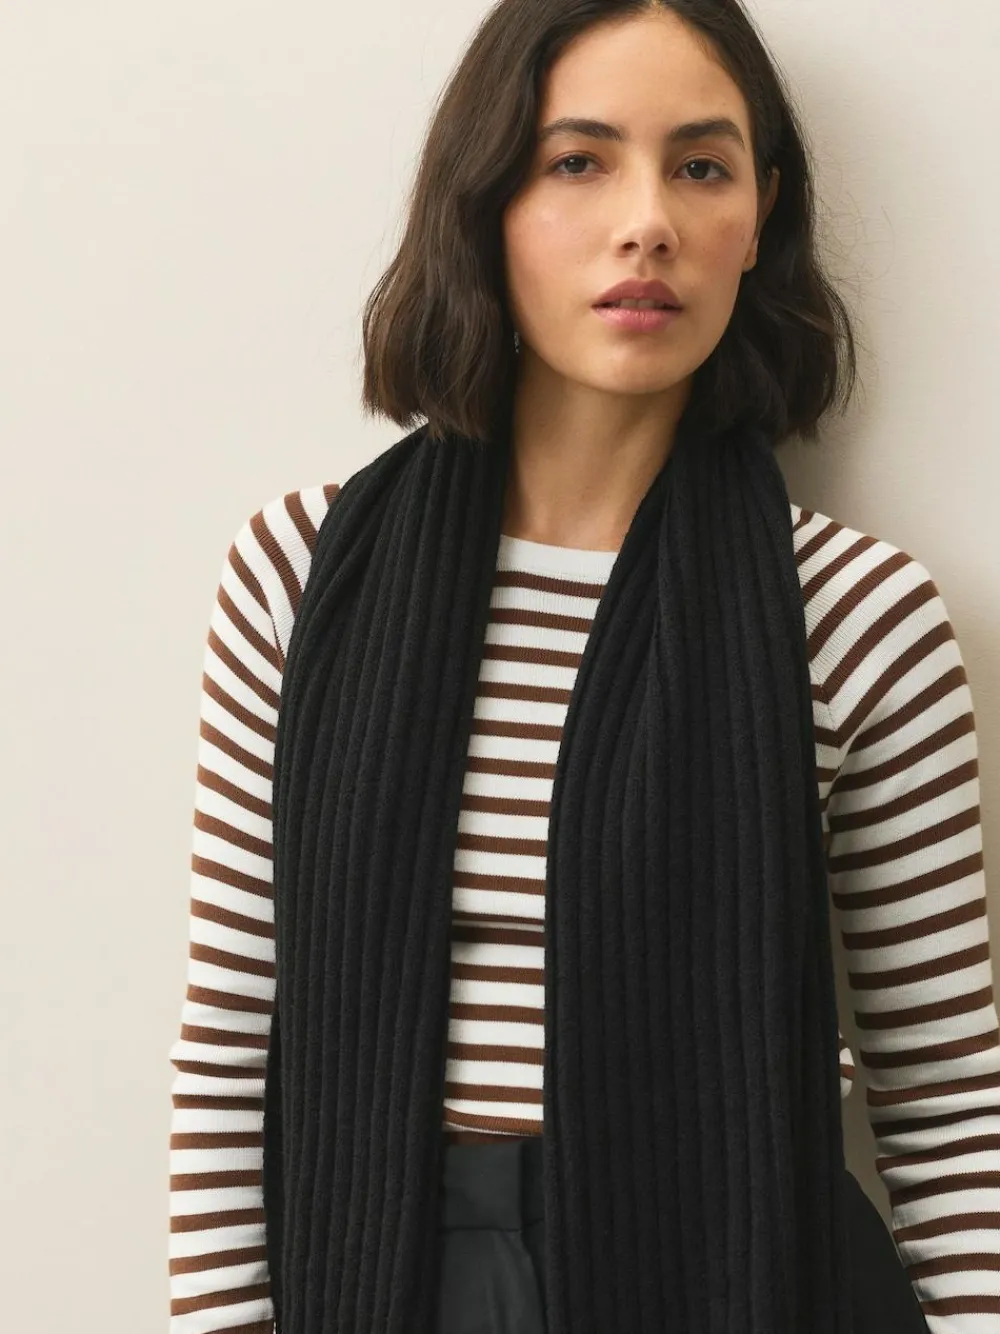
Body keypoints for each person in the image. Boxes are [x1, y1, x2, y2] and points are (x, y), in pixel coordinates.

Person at [168, 2, 999, 1332]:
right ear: (486, 200)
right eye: (579, 161)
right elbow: (229, 1048)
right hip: (388, 1272)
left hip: (749, 1274)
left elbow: (948, 1094)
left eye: (703, 166)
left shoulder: (856, 614)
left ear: (759, 219)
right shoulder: (302, 573)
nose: (647, 223)